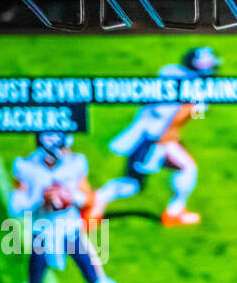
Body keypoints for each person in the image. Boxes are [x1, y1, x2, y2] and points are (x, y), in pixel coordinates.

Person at [2, 132, 157, 283]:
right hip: (43, 233)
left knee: (97, 279)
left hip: (69, 230)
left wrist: (70, 196)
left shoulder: (75, 164)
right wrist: (41, 199)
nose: (68, 151)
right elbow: (15, 207)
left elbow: (89, 199)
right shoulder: (26, 167)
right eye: (64, 147)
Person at [86, 47, 220, 228]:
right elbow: (185, 112)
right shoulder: (199, 89)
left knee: (135, 183)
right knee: (187, 168)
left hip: (141, 134)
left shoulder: (169, 71)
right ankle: (173, 213)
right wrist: (172, 135)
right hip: (157, 139)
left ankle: (94, 207)